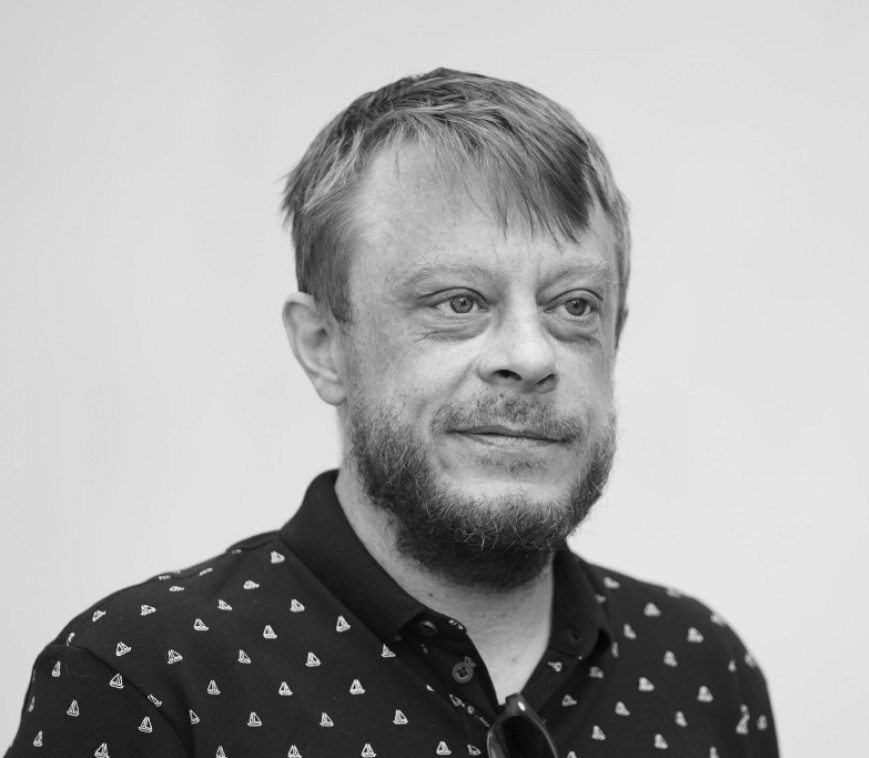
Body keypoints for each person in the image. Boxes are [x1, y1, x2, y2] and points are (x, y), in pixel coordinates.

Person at [5, 68, 779, 758]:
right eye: (458, 302)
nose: (530, 355)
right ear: (324, 347)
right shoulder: (143, 683)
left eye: (574, 306)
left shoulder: (702, 671)